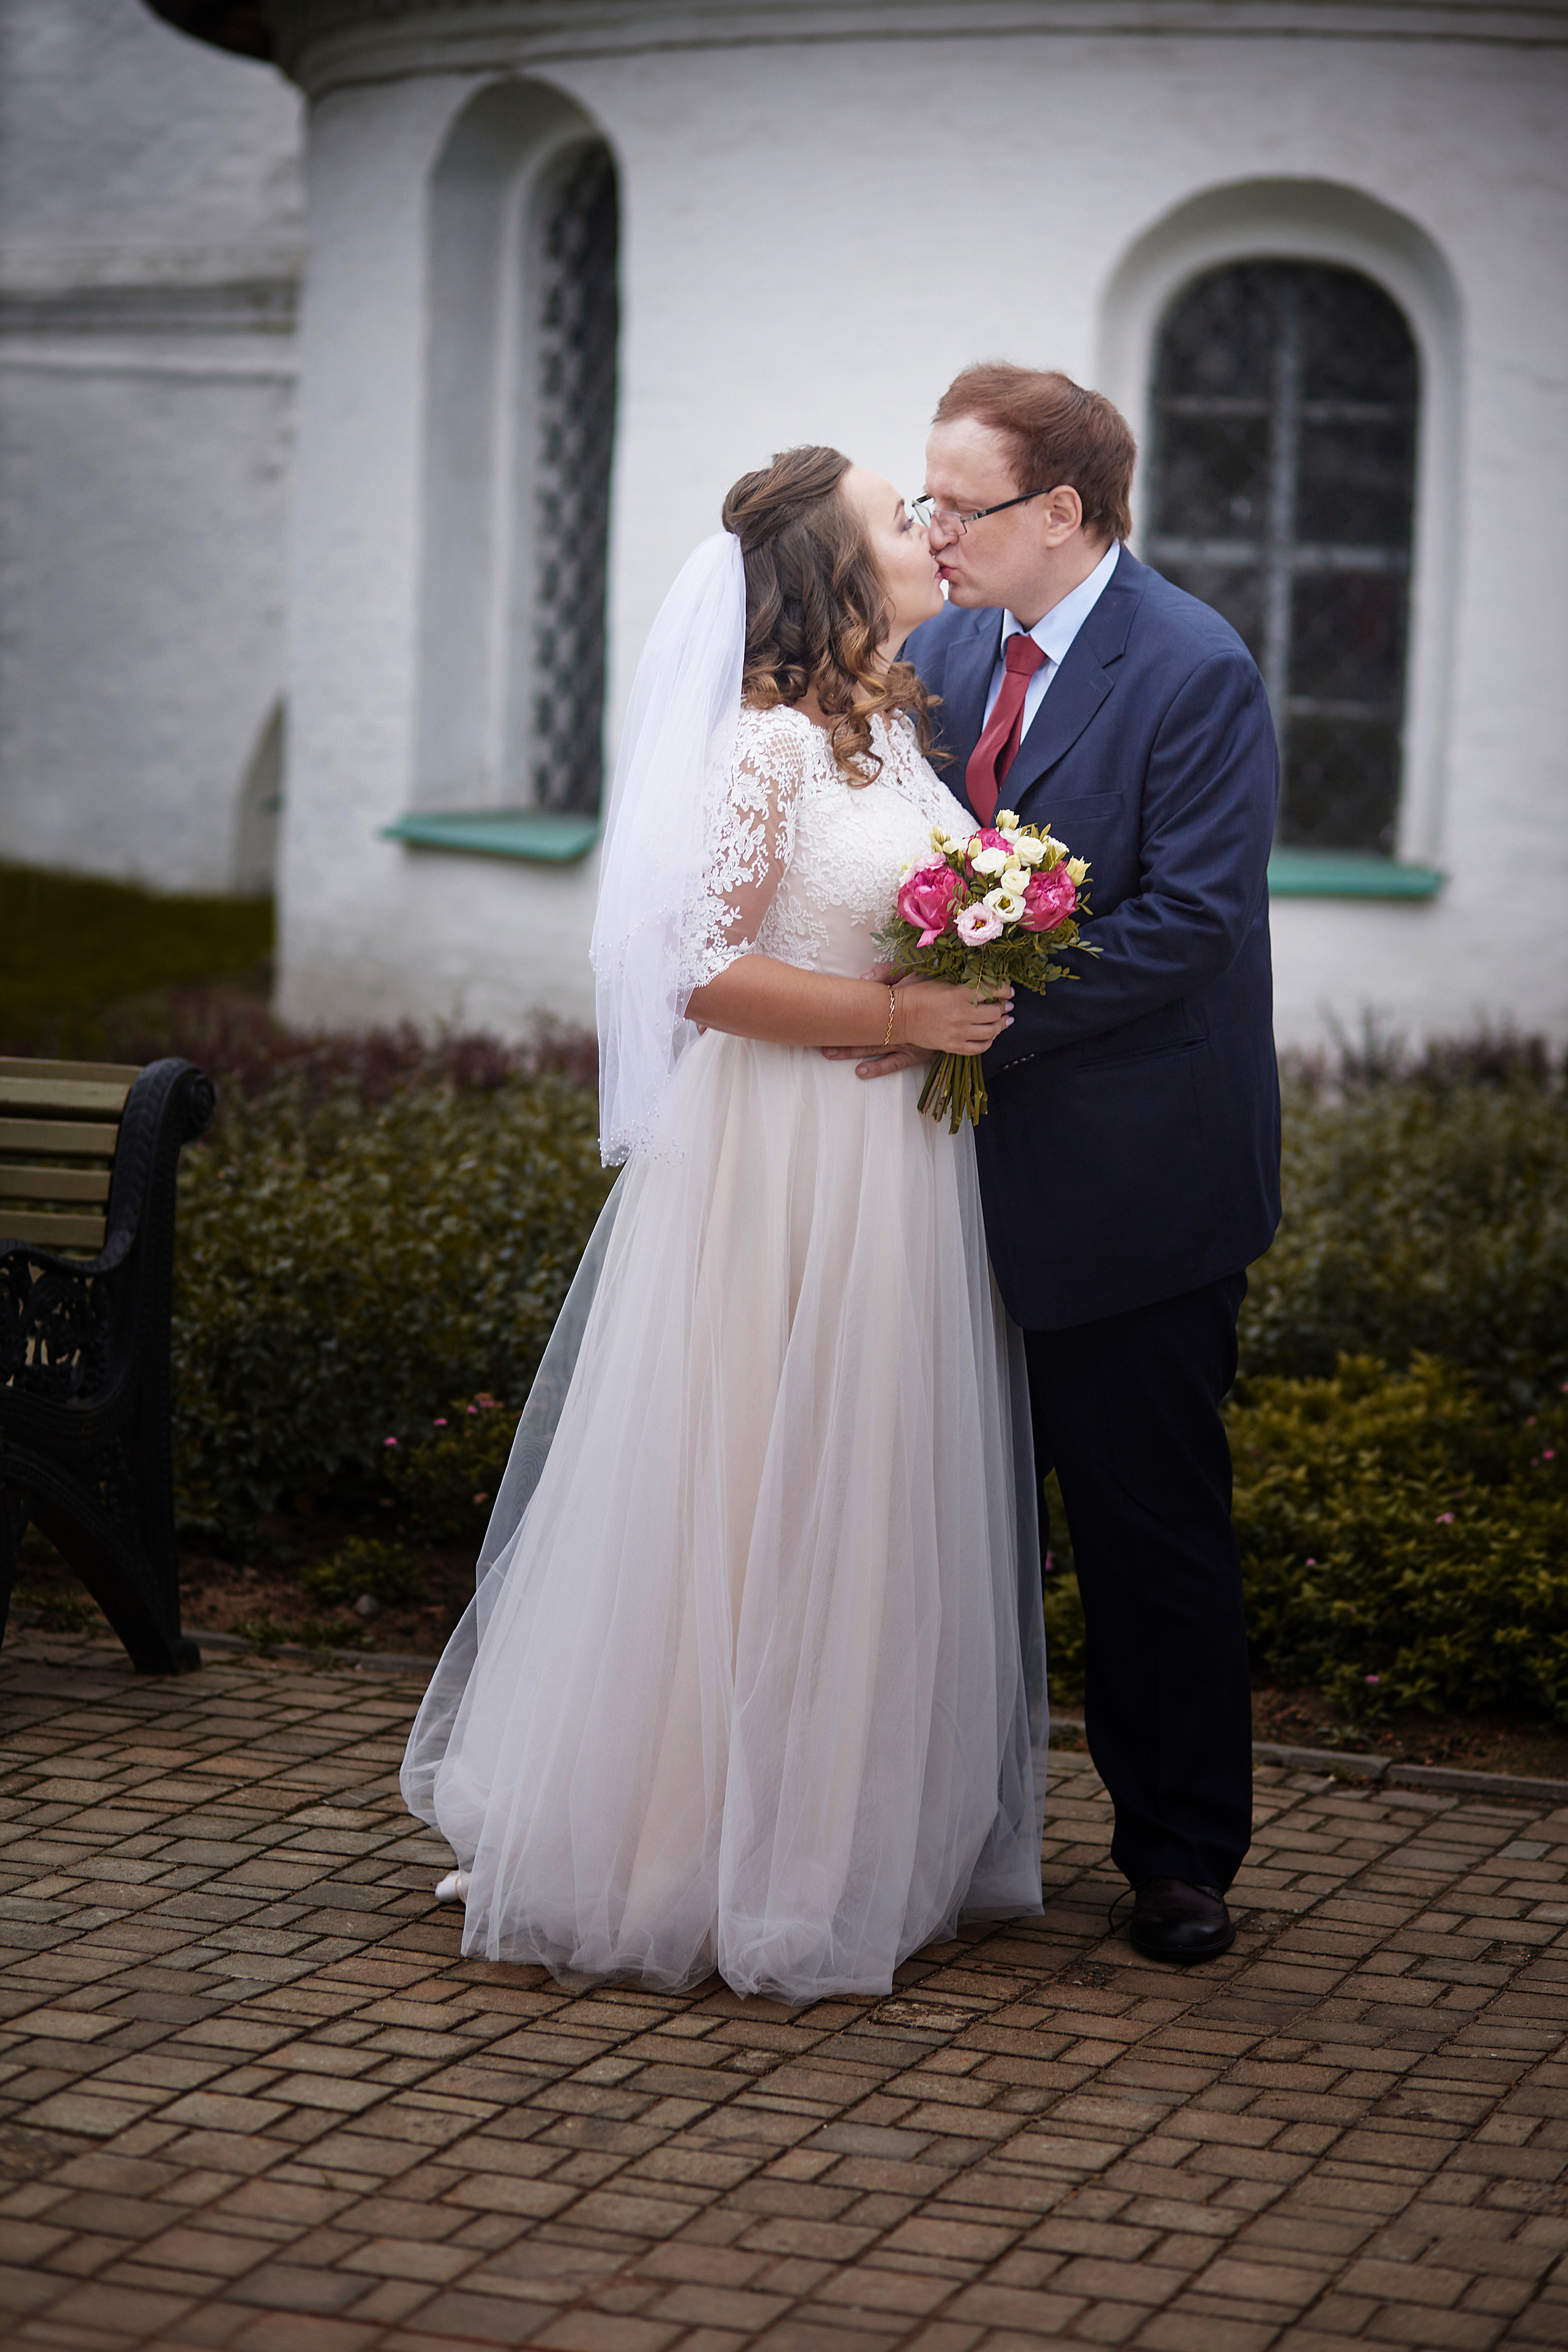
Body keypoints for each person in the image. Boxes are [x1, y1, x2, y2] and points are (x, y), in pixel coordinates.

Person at [401, 447, 1049, 2003]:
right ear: (839, 569)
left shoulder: (886, 737)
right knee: (755, 1484)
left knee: (860, 1485)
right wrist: (897, 1001)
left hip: (888, 1162)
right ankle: (686, 1845)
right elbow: (697, 971)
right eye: (905, 520)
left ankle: (835, 1837)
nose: (930, 532)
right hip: (782, 1160)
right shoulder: (764, 747)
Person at [845, 366, 1281, 1965]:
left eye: (956, 503)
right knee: (956, 1522)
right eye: (924, 498)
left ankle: (1181, 1858)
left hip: (1139, 1187)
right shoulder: (942, 652)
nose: (927, 528)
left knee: (1144, 1532)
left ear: (1063, 514)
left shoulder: (1197, 669)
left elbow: (1190, 922)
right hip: (941, 1182)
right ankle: (960, 1828)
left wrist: (969, 1021)